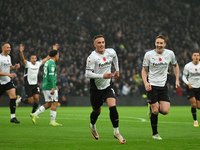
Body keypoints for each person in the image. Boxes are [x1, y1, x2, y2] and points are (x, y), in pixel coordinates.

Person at [85, 34, 126, 144]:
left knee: (113, 107)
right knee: (96, 111)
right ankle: (92, 125)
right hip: (96, 88)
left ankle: (116, 132)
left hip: (108, 86)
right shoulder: (92, 57)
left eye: (103, 42)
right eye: (99, 43)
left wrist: (117, 70)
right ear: (94, 45)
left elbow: (115, 57)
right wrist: (102, 76)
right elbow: (87, 74)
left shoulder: (110, 52)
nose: (101, 44)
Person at [141, 35, 180, 140]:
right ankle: (155, 134)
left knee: (165, 111)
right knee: (155, 111)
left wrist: (177, 80)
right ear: (155, 43)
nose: (159, 45)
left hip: (163, 86)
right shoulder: (148, 55)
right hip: (152, 85)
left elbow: (175, 65)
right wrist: (145, 82)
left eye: (161, 43)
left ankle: (151, 107)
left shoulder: (170, 54)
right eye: (157, 43)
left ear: (164, 44)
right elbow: (144, 70)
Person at [17, 44, 58, 114]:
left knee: (37, 99)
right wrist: (21, 52)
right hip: (28, 84)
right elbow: (22, 59)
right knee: (30, 101)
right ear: (30, 59)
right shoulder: (28, 64)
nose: (34, 60)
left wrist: (54, 50)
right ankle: (20, 99)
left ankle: (33, 114)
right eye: (32, 58)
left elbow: (48, 57)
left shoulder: (38, 64)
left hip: (35, 84)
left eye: (35, 58)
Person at [30, 47, 61, 126]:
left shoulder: (47, 62)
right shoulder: (51, 63)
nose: (58, 57)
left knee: (49, 104)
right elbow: (51, 76)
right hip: (49, 86)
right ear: (55, 56)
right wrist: (53, 87)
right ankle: (52, 121)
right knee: (54, 102)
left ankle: (35, 114)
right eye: (58, 55)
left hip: (45, 85)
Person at [0, 42, 21, 123]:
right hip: (0, 82)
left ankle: (13, 117)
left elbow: (9, 68)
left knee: (13, 97)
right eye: (7, 47)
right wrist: (8, 74)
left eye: (10, 47)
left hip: (7, 81)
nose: (9, 49)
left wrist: (14, 67)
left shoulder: (8, 57)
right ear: (3, 48)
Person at [182, 52, 200, 127]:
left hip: (199, 87)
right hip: (191, 88)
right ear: (192, 57)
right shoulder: (188, 66)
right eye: (194, 55)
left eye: (198, 55)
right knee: (193, 104)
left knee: (198, 106)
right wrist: (188, 83)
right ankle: (195, 121)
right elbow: (184, 76)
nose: (196, 57)